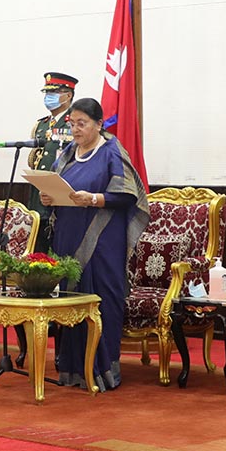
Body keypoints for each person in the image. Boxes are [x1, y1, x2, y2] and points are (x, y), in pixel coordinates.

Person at [39, 98, 148, 390]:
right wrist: (48, 197)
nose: (75, 129)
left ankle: (103, 372)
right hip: (67, 237)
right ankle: (72, 370)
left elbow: (128, 196)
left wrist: (95, 199)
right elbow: (58, 186)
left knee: (102, 302)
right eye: (72, 124)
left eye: (82, 123)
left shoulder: (112, 151)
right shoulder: (67, 154)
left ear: (99, 124)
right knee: (70, 303)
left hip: (103, 241)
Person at [27, 72, 78, 254]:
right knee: (38, 250)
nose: (49, 97)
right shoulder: (41, 125)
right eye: (47, 93)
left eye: (54, 93)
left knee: (61, 250)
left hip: (64, 195)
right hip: (39, 195)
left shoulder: (75, 123)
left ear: (68, 95)